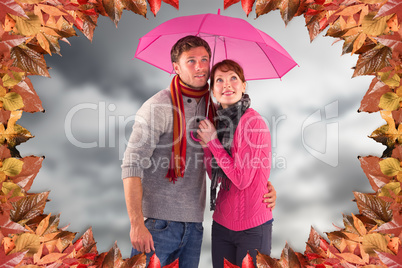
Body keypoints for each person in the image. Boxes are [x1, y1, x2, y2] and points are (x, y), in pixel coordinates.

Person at [121, 36, 276, 267]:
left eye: (204, 59)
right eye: (191, 61)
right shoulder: (157, 106)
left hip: (195, 226)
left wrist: (263, 184)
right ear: (176, 67)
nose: (200, 66)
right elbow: (131, 165)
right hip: (157, 225)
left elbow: (237, 162)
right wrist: (136, 223)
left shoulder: (213, 108)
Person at [197, 59, 273, 267]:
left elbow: (241, 179)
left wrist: (212, 142)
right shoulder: (219, 123)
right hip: (222, 224)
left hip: (252, 227)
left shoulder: (253, 122)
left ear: (244, 85)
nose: (227, 84)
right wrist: (207, 145)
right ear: (213, 90)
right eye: (219, 80)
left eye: (233, 78)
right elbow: (216, 175)